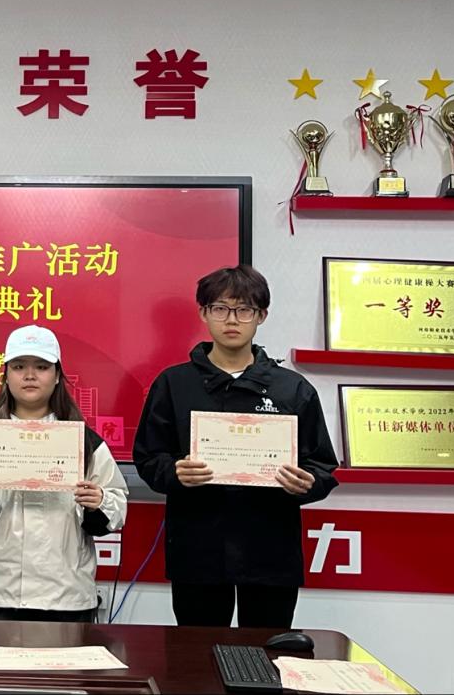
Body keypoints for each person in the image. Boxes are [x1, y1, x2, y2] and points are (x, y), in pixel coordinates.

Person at [133, 264, 338, 628]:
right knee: (197, 652)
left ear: (261, 316)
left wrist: (306, 482)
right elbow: (148, 457)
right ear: (203, 313)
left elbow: (322, 465)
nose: (232, 319)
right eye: (220, 308)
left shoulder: (292, 389)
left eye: (244, 309)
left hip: (271, 550)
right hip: (197, 548)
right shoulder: (174, 384)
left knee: (265, 651)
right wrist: (175, 472)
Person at [0, 325, 128, 622]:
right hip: (0, 592)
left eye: (41, 367)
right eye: (19, 367)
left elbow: (117, 508)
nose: (30, 375)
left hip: (67, 594)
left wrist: (100, 501)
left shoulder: (84, 441)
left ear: (57, 376)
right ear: (6, 375)